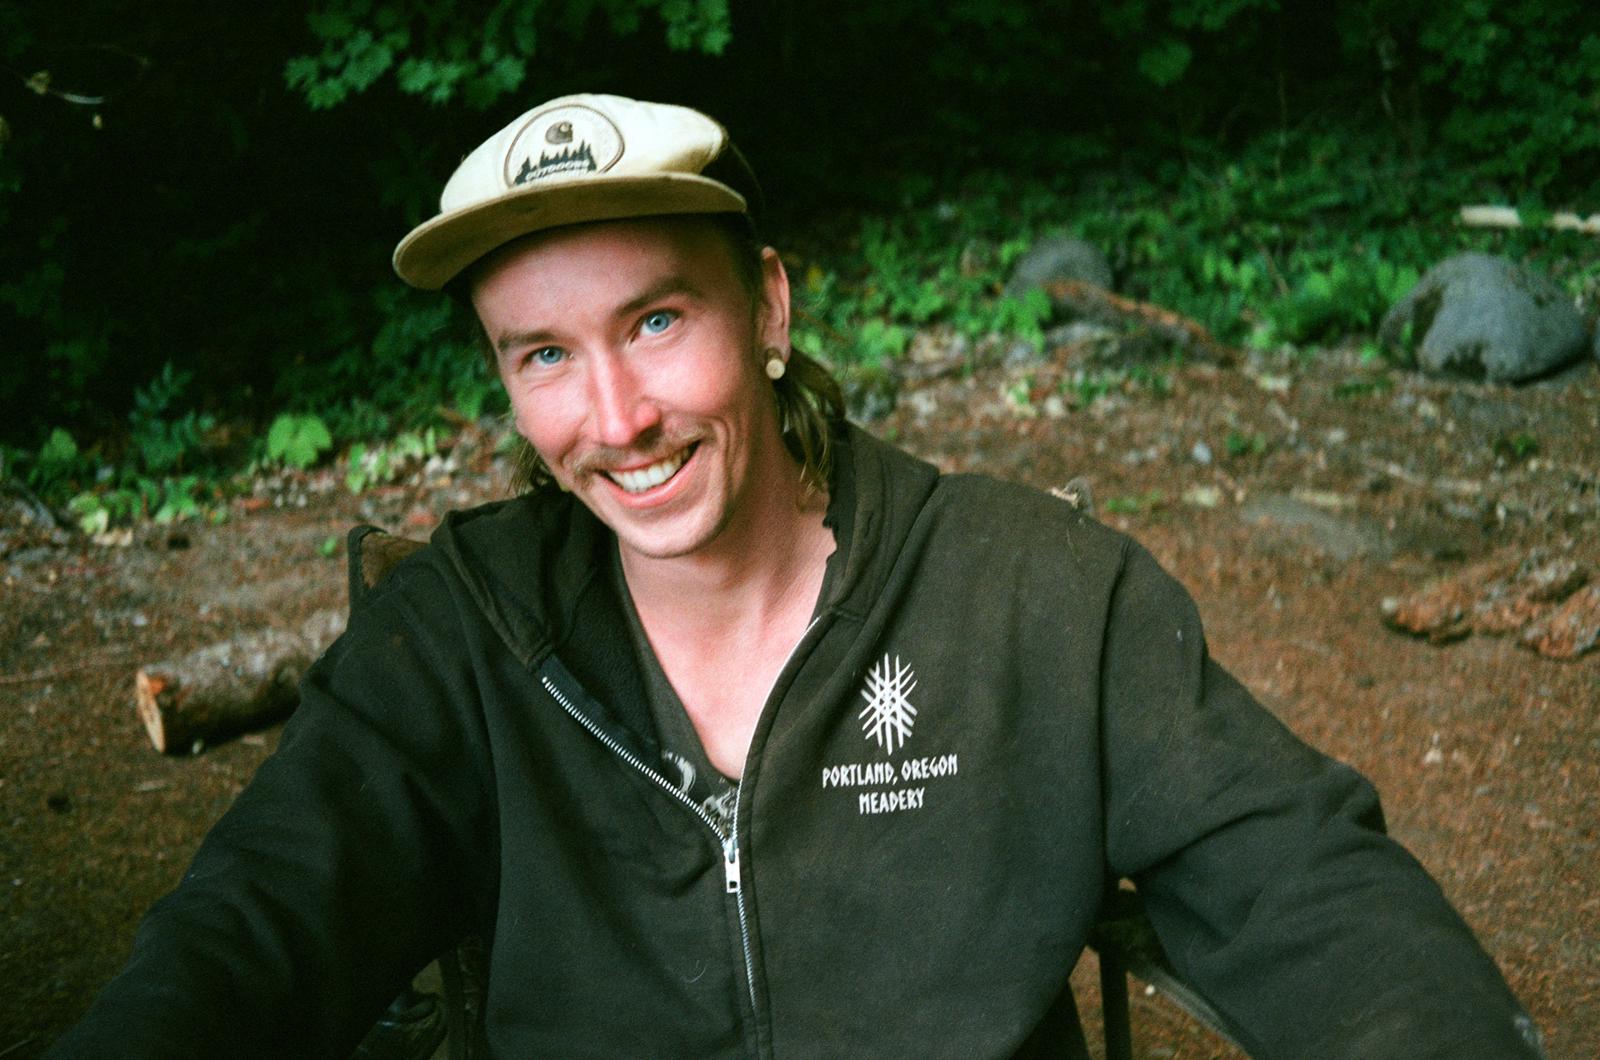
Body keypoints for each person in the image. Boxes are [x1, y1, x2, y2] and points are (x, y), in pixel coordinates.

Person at [51, 93, 1544, 1059]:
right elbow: (251, 929)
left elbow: (1309, 885)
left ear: (766, 308)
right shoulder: (464, 633)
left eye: (656, 322)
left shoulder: (1028, 593)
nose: (617, 419)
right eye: (545, 355)